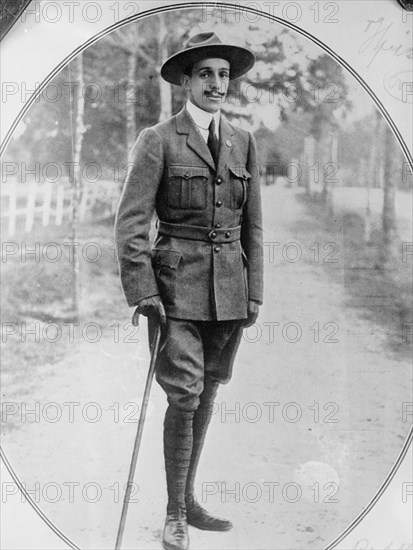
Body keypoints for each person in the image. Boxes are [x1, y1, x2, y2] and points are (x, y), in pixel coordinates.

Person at [115, 31, 263, 550]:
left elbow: (253, 226)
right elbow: (130, 224)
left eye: (224, 74)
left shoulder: (243, 140)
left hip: (229, 290)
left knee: (209, 392)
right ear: (186, 80)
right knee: (184, 394)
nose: (216, 84)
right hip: (173, 290)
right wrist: (142, 291)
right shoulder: (157, 139)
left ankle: (190, 497)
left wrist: (255, 294)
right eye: (206, 74)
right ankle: (175, 513)